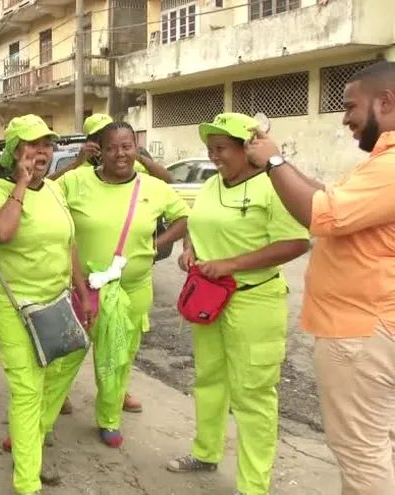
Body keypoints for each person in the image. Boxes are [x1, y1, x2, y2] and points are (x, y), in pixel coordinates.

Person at [245, 61, 395, 495]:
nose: (345, 118)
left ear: (385, 102)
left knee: (363, 455)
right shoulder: (378, 165)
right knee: (374, 449)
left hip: (362, 333)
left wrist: (273, 160)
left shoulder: (389, 168)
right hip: (369, 328)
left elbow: (320, 213)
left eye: (351, 106)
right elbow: (330, 200)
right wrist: (282, 165)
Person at [166, 113, 309, 495]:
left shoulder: (273, 187)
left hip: (253, 302)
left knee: (253, 395)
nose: (214, 157)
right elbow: (198, 224)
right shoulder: (212, 185)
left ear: (247, 150)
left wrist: (230, 264)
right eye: (210, 149)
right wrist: (191, 249)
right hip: (209, 301)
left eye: (222, 149)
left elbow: (296, 243)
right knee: (209, 380)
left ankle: (253, 486)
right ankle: (206, 452)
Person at [0, 114, 92, 495]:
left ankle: (31, 435)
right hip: (15, 305)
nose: (41, 152)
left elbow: (69, 243)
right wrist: (22, 185)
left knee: (72, 355)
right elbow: (2, 234)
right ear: (14, 152)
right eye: (31, 144)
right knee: (27, 388)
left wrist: (82, 291)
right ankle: (27, 482)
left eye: (46, 144)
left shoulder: (56, 191)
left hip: (56, 300)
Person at [57, 121, 190, 447]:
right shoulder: (76, 181)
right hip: (83, 290)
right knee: (63, 357)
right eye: (112, 147)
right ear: (99, 150)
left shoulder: (152, 187)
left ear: (136, 148)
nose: (120, 153)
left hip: (132, 290)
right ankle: (39, 418)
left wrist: (158, 244)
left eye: (127, 146)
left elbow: (185, 217)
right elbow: (42, 198)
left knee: (117, 358)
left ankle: (109, 419)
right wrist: (74, 162)